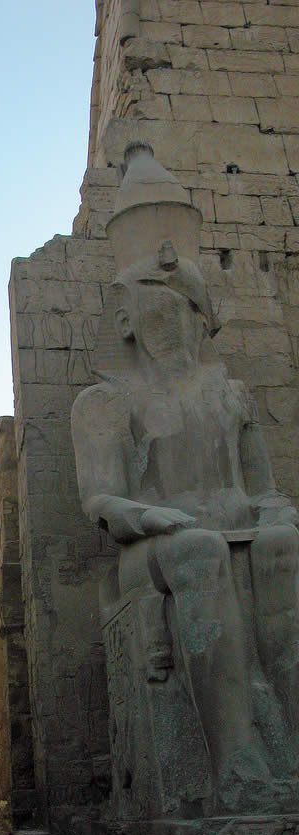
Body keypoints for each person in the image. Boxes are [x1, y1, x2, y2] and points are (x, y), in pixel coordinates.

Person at [72, 142, 299, 800]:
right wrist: (148, 515)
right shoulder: (108, 401)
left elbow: (263, 488)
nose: (171, 316)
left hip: (235, 528)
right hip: (151, 547)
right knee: (199, 551)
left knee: (286, 548)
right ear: (126, 320)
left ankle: (291, 759)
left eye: (181, 303)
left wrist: (275, 511)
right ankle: (239, 767)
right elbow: (100, 500)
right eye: (155, 303)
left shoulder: (229, 394)